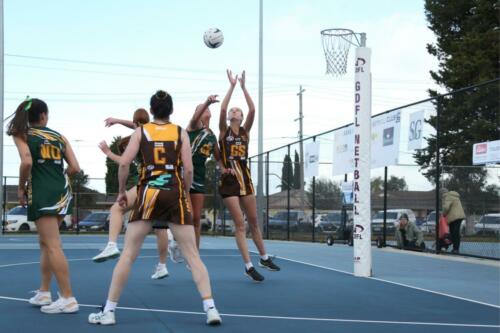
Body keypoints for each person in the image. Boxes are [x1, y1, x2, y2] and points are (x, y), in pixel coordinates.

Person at [88, 90, 221, 326]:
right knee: (193, 255)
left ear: (151, 111)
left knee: (128, 254)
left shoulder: (141, 131)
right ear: (171, 110)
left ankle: (109, 311)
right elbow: (188, 170)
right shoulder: (180, 132)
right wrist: (185, 192)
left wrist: (121, 191)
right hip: (174, 192)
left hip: (148, 192)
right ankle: (210, 308)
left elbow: (125, 163)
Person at [7, 97, 80, 314]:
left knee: (53, 245)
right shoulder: (59, 136)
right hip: (61, 191)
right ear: (43, 116)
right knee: (46, 243)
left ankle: (68, 298)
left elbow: (27, 162)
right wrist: (60, 178)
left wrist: (21, 187)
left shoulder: (23, 134)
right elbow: (75, 167)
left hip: (42, 192)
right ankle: (44, 291)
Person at [92, 109, 181, 280]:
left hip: (148, 183)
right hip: (168, 184)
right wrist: (117, 120)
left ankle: (111, 244)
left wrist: (108, 153)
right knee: (160, 228)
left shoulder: (140, 137)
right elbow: (136, 124)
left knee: (117, 209)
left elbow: (123, 161)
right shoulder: (161, 134)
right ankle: (162, 265)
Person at [218, 70, 280, 282]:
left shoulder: (245, 132)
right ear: (229, 116)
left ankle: (263, 257)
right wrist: (232, 86)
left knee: (253, 222)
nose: (234, 111)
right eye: (233, 110)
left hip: (246, 179)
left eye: (238, 110)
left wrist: (244, 87)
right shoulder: (223, 131)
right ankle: (248, 265)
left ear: (242, 117)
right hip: (229, 181)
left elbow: (253, 108)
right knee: (239, 224)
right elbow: (223, 107)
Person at [187, 95, 220, 248]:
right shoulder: (193, 126)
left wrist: (225, 168)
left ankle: (195, 253)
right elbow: (195, 117)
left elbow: (218, 158)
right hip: (184, 174)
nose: (205, 109)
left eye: (206, 108)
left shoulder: (212, 136)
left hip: (199, 177)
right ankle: (174, 237)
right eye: (201, 108)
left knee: (196, 220)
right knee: (189, 215)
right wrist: (207, 102)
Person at [442, 188, 465, 254]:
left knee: (454, 233)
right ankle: (454, 248)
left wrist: (444, 214)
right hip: (458, 216)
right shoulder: (454, 196)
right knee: (454, 233)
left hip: (454, 217)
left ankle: (454, 248)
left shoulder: (448, 196)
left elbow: (446, 207)